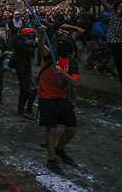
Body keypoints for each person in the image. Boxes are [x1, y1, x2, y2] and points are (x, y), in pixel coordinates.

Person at [36, 26, 82, 171]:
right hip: (46, 97)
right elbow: (41, 46)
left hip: (62, 97)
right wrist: (41, 33)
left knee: (71, 128)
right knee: (52, 129)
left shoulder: (72, 63)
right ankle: (52, 158)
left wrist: (62, 73)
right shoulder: (51, 55)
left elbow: (75, 82)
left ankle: (59, 148)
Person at [10, 28, 37, 115]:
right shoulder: (20, 42)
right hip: (22, 69)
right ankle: (27, 109)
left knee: (24, 90)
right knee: (31, 91)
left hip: (26, 68)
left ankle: (21, 109)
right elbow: (15, 42)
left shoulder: (27, 44)